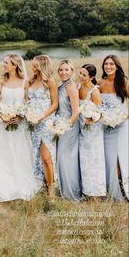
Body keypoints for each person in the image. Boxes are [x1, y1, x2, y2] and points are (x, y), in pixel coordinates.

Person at [0, 54, 40, 202]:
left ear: (15, 65)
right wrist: (2, 115)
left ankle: (21, 184)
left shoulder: (25, 82)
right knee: (3, 153)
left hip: (19, 125)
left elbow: (27, 103)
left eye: (6, 63)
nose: (3, 65)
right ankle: (3, 185)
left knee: (20, 152)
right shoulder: (0, 82)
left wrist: (21, 116)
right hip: (2, 124)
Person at [26, 55, 58, 196]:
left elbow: (55, 104)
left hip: (46, 123)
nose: (32, 68)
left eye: (34, 66)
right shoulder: (30, 81)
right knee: (35, 155)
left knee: (46, 157)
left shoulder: (50, 81)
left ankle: (51, 188)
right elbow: (27, 100)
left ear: (41, 67)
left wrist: (42, 117)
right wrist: (29, 115)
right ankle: (38, 183)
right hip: (32, 123)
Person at [98, 54, 128, 201]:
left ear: (117, 66)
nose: (108, 67)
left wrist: (122, 117)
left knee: (120, 157)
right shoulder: (100, 83)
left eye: (111, 64)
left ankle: (122, 190)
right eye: (106, 64)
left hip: (121, 126)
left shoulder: (124, 82)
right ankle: (112, 191)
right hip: (106, 127)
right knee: (109, 159)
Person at [78, 64, 106, 199]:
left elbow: (100, 113)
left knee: (94, 161)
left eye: (84, 75)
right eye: (80, 73)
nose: (81, 77)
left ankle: (97, 193)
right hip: (81, 130)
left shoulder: (94, 91)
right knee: (84, 160)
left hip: (94, 131)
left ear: (92, 77)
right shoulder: (77, 87)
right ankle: (86, 191)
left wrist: (93, 119)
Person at [56, 59, 82, 201]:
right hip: (61, 125)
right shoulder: (61, 85)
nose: (63, 72)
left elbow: (76, 112)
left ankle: (71, 192)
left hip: (69, 127)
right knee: (62, 158)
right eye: (61, 70)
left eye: (66, 69)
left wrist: (64, 127)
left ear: (72, 71)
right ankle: (64, 189)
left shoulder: (71, 87)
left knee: (66, 158)